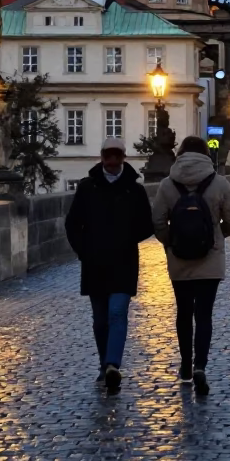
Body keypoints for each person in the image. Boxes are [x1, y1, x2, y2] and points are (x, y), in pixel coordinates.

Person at [152, 137, 230, 396]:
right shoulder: (219, 182)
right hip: (209, 260)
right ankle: (200, 364)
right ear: (205, 154)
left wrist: (171, 242)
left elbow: (157, 220)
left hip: (180, 259)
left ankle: (185, 366)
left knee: (183, 312)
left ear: (180, 154)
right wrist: (216, 237)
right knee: (204, 315)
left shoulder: (167, 185)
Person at [64, 138, 154, 394]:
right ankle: (105, 365)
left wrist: (125, 239)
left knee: (117, 313)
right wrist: (84, 250)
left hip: (124, 261)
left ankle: (112, 364)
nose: (112, 162)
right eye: (108, 157)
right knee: (100, 320)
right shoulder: (87, 187)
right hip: (95, 262)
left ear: (123, 158)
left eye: (117, 157)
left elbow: (147, 225)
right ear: (102, 157)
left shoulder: (134, 190)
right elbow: (72, 224)